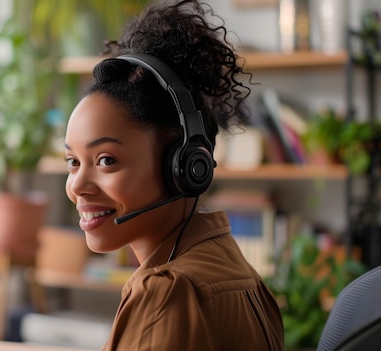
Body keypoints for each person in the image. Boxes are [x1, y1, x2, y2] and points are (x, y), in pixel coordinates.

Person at [63, 0, 284, 350]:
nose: (77, 187)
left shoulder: (166, 292)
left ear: (184, 165)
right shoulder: (239, 272)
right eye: (73, 162)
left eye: (106, 160)